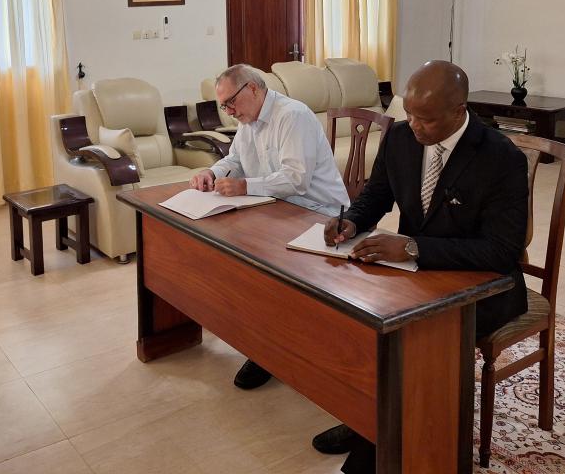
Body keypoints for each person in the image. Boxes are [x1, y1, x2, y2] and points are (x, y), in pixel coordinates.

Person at [316, 60, 528, 473]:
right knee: (352, 318)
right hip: (414, 277)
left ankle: (374, 452)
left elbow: (502, 251)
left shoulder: (500, 157)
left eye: (426, 119)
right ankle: (367, 418)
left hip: (481, 287)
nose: (413, 125)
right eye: (409, 113)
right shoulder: (399, 137)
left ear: (458, 110)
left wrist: (413, 247)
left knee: (408, 342)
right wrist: (352, 221)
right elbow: (376, 194)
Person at [189, 63, 349, 390]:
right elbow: (235, 160)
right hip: (277, 208)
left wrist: (245, 186)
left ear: (252, 88)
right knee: (236, 255)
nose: (229, 112)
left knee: (260, 266)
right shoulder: (248, 120)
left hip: (317, 214)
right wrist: (213, 172)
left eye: (231, 102)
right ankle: (263, 342)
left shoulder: (292, 116)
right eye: (223, 106)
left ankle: (271, 350)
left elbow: (296, 179)